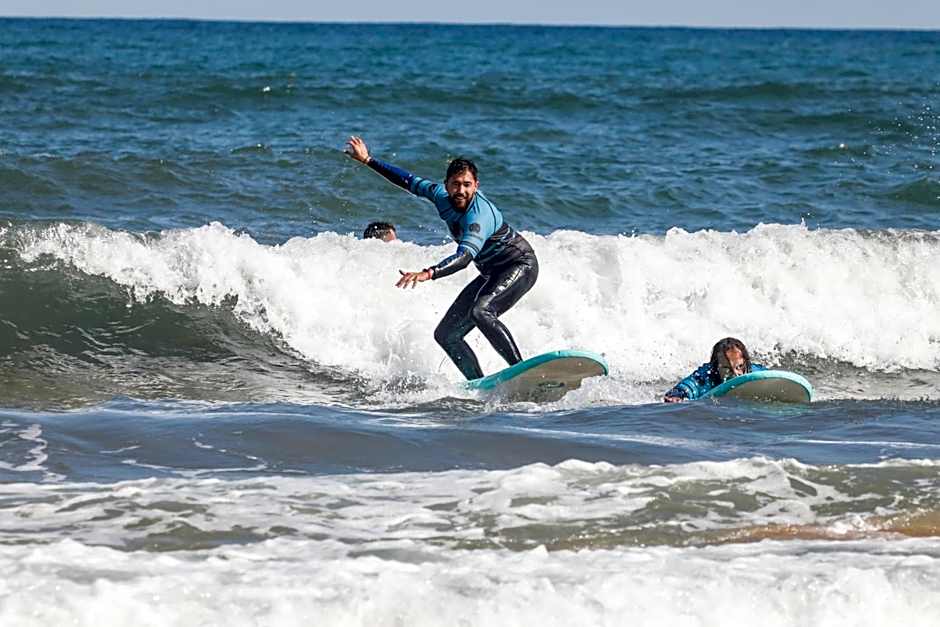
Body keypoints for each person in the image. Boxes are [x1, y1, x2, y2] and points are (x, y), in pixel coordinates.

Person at [345, 135, 539, 380]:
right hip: (491, 273)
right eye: (456, 184)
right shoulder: (439, 195)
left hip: (519, 265)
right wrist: (368, 160)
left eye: (467, 185)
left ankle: (522, 372)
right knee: (446, 335)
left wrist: (429, 273)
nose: (461, 190)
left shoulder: (479, 216)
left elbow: (464, 257)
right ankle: (479, 384)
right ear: (446, 185)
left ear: (476, 185)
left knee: (482, 312)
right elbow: (407, 180)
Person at [663, 337, 766, 402]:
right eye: (726, 368)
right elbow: (689, 385)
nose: (735, 374)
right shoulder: (707, 375)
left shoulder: (755, 372)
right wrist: (677, 395)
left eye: (739, 366)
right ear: (716, 367)